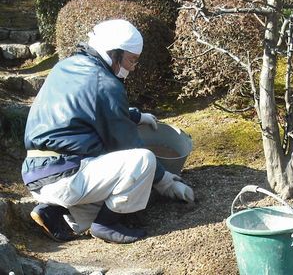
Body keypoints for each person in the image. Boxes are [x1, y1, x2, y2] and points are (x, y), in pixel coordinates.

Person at [22, 19, 194, 244]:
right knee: (142, 161)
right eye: (132, 60)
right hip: (66, 174)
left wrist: (138, 116)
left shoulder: (66, 66)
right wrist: (166, 182)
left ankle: (54, 213)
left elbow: (87, 108)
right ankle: (107, 224)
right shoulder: (105, 82)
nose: (133, 67)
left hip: (36, 173)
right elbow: (127, 143)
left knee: (110, 180)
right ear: (114, 53)